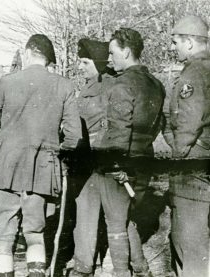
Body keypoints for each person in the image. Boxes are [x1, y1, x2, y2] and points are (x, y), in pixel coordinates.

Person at [0, 34, 83, 277]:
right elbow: (74, 137)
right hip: (42, 170)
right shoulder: (64, 85)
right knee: (35, 233)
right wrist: (55, 155)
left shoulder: (7, 83)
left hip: (5, 170)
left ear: (28, 52)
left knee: (4, 234)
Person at [71, 28, 165, 277]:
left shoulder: (121, 85)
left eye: (112, 53)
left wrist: (116, 164)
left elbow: (118, 129)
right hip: (143, 158)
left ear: (125, 51)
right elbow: (157, 126)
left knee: (116, 225)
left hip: (117, 163)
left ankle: (122, 273)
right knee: (125, 218)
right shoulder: (156, 84)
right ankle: (142, 270)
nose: (110, 59)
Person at [164, 15, 210, 277]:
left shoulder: (194, 72)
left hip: (193, 162)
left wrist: (177, 155)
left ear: (191, 43)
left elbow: (188, 121)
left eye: (176, 42)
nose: (173, 47)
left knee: (189, 238)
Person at [69, 38, 115, 276]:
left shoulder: (105, 87)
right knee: (88, 211)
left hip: (97, 159)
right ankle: (87, 263)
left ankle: (88, 264)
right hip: (89, 160)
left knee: (95, 213)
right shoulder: (91, 86)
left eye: (85, 62)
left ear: (97, 63)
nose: (81, 66)